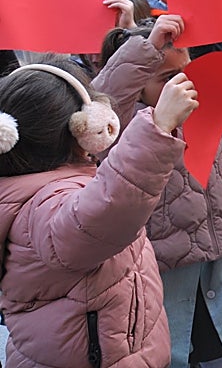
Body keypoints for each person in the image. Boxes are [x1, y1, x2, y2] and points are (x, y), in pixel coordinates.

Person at [93, 11, 222, 368]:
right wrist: (145, 49)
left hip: (214, 261)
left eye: (187, 71)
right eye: (167, 77)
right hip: (163, 270)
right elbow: (103, 101)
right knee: (169, 354)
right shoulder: (123, 124)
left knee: (221, 355)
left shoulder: (206, 106)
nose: (183, 83)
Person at [0, 57, 198, 367]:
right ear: (85, 129)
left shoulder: (33, 185)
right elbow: (102, 212)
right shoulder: (45, 202)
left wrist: (145, 49)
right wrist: (156, 128)